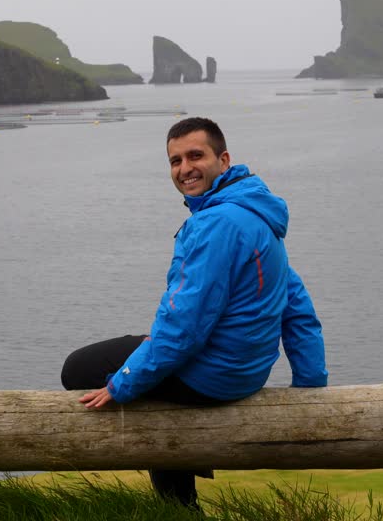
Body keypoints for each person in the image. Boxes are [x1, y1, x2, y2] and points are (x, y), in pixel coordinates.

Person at [61, 116, 328, 508]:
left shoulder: (215, 224)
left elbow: (183, 327)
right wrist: (310, 383)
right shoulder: (255, 214)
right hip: (247, 373)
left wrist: (123, 385)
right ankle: (179, 503)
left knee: (77, 370)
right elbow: (298, 306)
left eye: (195, 156)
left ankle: (180, 507)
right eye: (175, 161)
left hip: (213, 377)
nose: (184, 169)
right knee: (149, 362)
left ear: (223, 159)